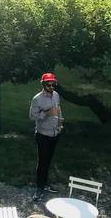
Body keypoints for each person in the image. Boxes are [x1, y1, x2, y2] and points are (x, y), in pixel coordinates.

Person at [29, 72, 63, 201]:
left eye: (53, 84)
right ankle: (39, 188)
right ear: (43, 85)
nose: (51, 86)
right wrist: (47, 113)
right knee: (42, 161)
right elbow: (32, 116)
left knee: (48, 161)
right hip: (43, 135)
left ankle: (45, 183)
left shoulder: (56, 95)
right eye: (49, 84)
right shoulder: (37, 99)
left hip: (55, 134)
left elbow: (58, 110)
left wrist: (60, 124)